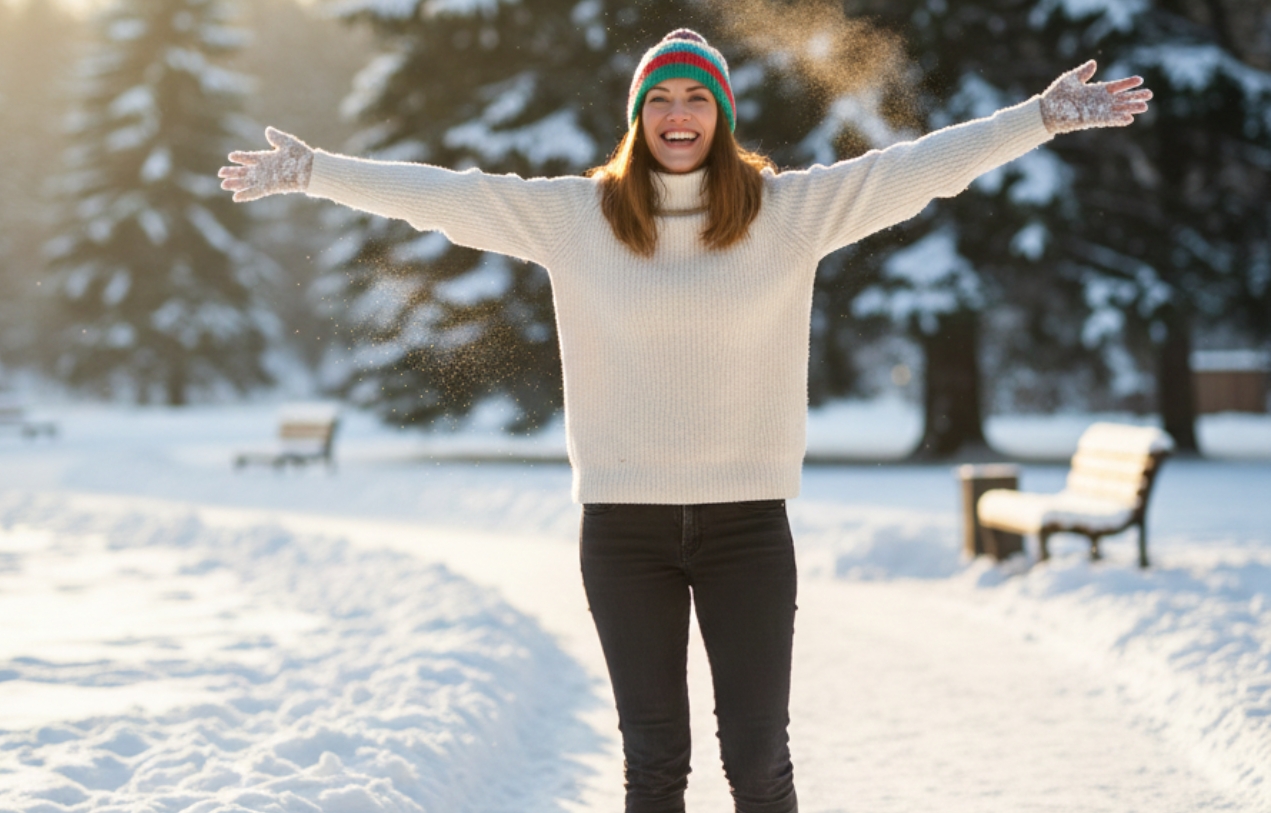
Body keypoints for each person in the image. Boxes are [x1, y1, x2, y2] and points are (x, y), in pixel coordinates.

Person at [219, 29, 1151, 813]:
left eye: (694, 99)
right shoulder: (574, 218)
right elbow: (447, 197)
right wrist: (317, 173)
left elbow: (918, 168)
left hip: (748, 528)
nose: (676, 114)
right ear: (636, 117)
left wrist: (1035, 118)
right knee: (654, 766)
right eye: (658, 98)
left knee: (759, 764)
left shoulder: (785, 212)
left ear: (721, 116)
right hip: (622, 534)